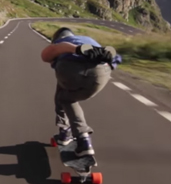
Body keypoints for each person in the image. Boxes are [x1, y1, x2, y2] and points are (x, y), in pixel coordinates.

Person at [41, 27, 122, 157]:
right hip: (100, 72)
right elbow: (114, 58)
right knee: (68, 96)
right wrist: (109, 65)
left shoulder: (61, 42)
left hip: (70, 67)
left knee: (65, 99)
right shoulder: (89, 40)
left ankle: (78, 136)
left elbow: (46, 55)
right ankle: (68, 132)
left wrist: (75, 50)